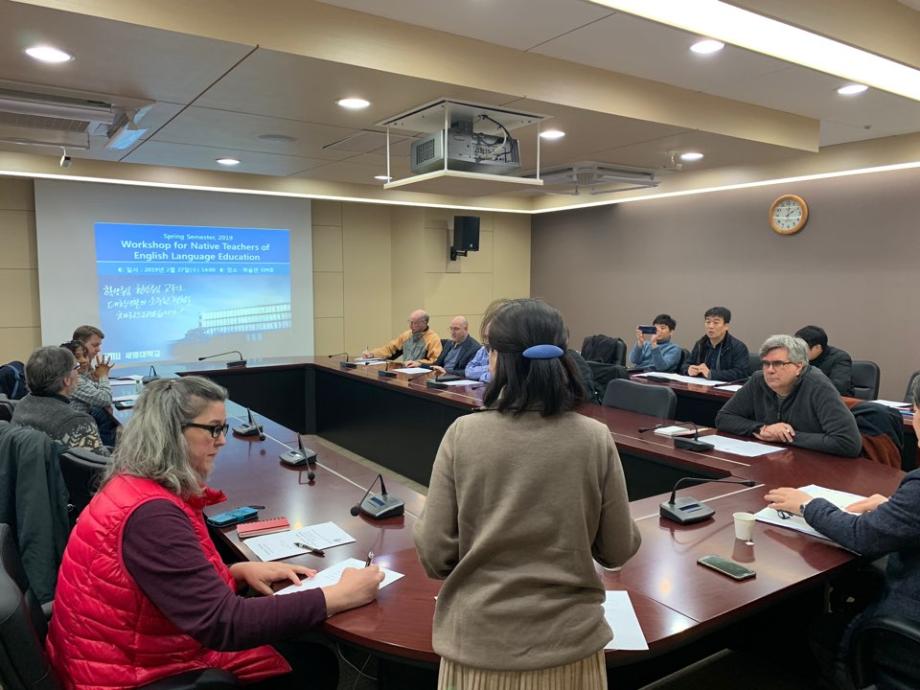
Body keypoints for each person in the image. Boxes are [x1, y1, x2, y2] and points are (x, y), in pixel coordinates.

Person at [45, 376, 384, 689]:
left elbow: (158, 582)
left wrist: (234, 572)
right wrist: (337, 596)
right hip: (129, 675)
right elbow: (225, 624)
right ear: (171, 432)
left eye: (224, 428)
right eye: (213, 429)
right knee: (316, 662)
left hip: (110, 657)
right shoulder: (153, 516)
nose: (222, 440)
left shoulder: (133, 486)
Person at [414, 298, 641, 690]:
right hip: (572, 649)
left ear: (498, 359)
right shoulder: (594, 437)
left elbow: (435, 554)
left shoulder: (463, 434)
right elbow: (618, 549)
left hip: (479, 646)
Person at [763, 382, 920, 687]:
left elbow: (862, 536)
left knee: (824, 629)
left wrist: (809, 505)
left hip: (903, 637)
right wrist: (894, 507)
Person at [716, 334, 861, 457]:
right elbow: (724, 417)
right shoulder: (758, 380)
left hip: (817, 464)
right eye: (766, 363)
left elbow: (848, 443)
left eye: (778, 364)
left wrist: (785, 436)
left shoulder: (818, 385)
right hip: (775, 458)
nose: (770, 370)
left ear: (798, 366)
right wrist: (761, 429)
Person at [11, 345, 109, 455]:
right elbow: (102, 462)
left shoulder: (21, 404)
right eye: (76, 368)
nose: (78, 372)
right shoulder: (78, 422)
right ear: (67, 380)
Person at [60, 339, 119, 446]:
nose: (84, 360)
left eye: (85, 356)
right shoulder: (74, 380)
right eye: (77, 357)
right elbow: (105, 398)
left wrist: (97, 378)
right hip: (77, 430)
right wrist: (103, 376)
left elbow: (96, 390)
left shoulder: (81, 376)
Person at [681, 306, 750, 381]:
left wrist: (711, 374)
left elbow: (741, 373)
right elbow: (685, 365)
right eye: (708, 322)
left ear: (726, 326)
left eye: (716, 323)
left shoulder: (738, 347)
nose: (711, 326)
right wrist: (688, 369)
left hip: (725, 387)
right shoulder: (700, 344)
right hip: (701, 385)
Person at [361, 309, 442, 365]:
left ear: (424, 323)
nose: (410, 326)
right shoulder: (406, 335)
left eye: (414, 323)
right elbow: (389, 349)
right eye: (410, 322)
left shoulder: (433, 338)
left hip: (422, 373)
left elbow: (435, 360)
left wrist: (419, 363)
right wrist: (372, 354)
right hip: (405, 370)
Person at [409, 315, 480, 376]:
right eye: (451, 329)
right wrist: (420, 364)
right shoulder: (449, 344)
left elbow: (469, 372)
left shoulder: (474, 348)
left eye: (456, 329)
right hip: (441, 376)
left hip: (456, 380)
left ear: (466, 329)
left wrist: (446, 371)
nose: (452, 332)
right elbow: (437, 365)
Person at [794, 325, 853, 396]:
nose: (799, 352)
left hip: (834, 399)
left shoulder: (840, 358)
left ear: (817, 347)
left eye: (803, 349)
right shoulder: (796, 357)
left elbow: (839, 387)